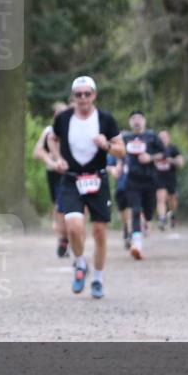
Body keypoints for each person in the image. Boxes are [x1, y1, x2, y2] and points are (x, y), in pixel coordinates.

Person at [49, 77, 125, 298]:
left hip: (98, 180)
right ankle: (81, 263)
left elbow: (122, 150)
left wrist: (107, 145)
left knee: (99, 232)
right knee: (73, 227)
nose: (83, 98)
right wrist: (58, 159)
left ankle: (98, 279)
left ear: (94, 95)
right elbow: (52, 139)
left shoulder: (105, 119)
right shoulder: (63, 118)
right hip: (72, 179)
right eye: (78, 94)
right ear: (73, 96)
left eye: (87, 94)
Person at [121, 111, 164, 260]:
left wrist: (150, 157)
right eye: (133, 118)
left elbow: (164, 153)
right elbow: (118, 153)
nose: (136, 121)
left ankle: (147, 221)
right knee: (135, 210)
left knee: (148, 211)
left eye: (139, 118)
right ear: (130, 122)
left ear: (144, 121)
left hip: (150, 179)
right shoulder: (126, 138)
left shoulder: (152, 136)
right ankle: (137, 245)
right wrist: (118, 165)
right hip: (132, 179)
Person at [33, 101, 69, 257]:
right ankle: (63, 238)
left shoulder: (73, 128)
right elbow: (37, 153)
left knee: (67, 206)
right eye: (58, 114)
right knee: (59, 206)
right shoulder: (49, 131)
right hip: (54, 173)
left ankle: (66, 238)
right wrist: (52, 161)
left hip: (70, 172)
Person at [154, 130, 184, 230]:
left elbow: (181, 163)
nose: (162, 139)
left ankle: (172, 214)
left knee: (172, 198)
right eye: (160, 138)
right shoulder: (155, 149)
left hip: (171, 177)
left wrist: (170, 160)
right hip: (158, 177)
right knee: (161, 198)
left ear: (169, 138)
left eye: (164, 137)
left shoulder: (173, 149)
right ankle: (162, 219)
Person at [107, 153, 132, 250]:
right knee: (124, 212)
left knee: (133, 209)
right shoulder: (115, 153)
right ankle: (126, 229)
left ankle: (131, 234)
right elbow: (107, 165)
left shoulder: (135, 150)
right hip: (121, 187)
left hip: (134, 187)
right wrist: (113, 169)